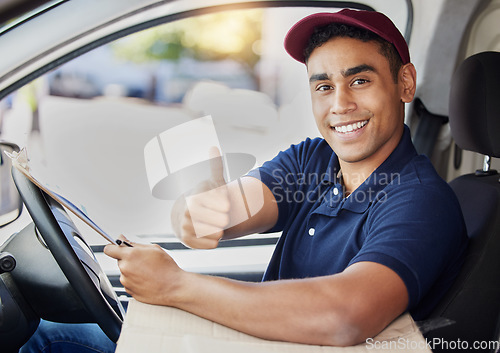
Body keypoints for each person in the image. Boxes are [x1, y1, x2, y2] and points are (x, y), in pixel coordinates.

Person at [20, 8, 468, 352]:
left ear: (405, 83)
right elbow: (229, 211)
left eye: (360, 80)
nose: (340, 105)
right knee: (54, 333)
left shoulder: (421, 200)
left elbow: (346, 315)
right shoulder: (314, 159)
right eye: (324, 86)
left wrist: (177, 285)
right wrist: (200, 210)